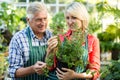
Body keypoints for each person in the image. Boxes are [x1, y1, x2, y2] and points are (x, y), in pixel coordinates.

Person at [47, 2, 100, 80]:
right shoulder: (60, 38)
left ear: (82, 19)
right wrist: (49, 51)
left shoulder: (92, 40)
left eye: (74, 18)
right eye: (67, 18)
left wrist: (75, 75)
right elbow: (50, 67)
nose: (70, 22)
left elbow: (95, 71)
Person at [8, 2, 56, 80]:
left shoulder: (51, 36)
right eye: (39, 20)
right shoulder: (19, 38)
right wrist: (32, 69)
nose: (43, 23)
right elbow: (13, 71)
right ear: (28, 20)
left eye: (45, 18)